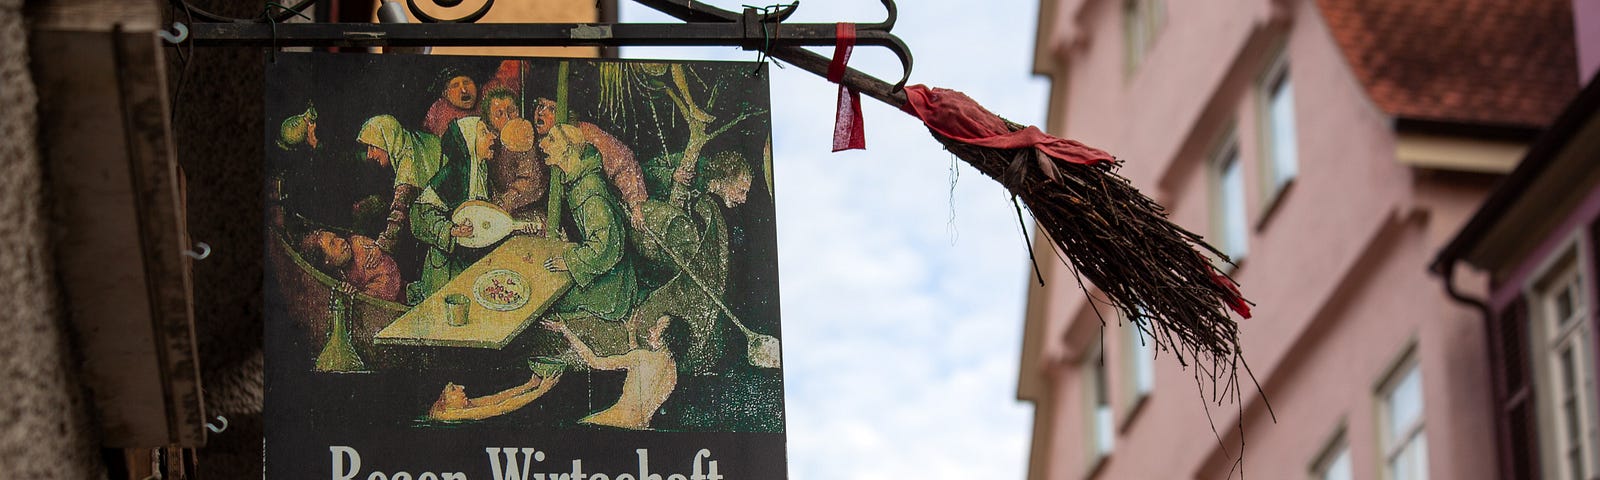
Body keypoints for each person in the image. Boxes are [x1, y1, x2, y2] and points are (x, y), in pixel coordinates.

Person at [627, 151, 753, 373]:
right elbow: (641, 172)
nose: (743, 199)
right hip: (651, 241)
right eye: (741, 190)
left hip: (677, 261)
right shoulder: (693, 164)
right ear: (725, 178)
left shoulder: (716, 204)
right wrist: (671, 175)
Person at [539, 123, 637, 323]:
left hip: (612, 284)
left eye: (551, 140)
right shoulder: (576, 178)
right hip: (596, 265)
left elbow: (606, 246)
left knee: (552, 302)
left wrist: (569, 261)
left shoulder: (591, 192)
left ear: (567, 150)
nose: (542, 145)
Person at [410, 116, 500, 299]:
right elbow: (418, 216)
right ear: (468, 141)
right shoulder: (450, 175)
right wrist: (451, 231)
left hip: (474, 259)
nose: (493, 137)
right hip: (446, 268)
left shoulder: (482, 173)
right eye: (484, 133)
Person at [531, 98, 648, 229]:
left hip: (599, 212)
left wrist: (635, 205)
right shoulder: (535, 141)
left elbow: (623, 160)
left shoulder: (584, 134)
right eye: (540, 106)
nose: (541, 113)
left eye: (552, 109)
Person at [543, 316, 677, 430]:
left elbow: (594, 362)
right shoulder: (672, 373)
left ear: (669, 335)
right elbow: (642, 374)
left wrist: (565, 330)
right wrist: (631, 333)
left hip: (614, 424)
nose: (651, 329)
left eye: (658, 326)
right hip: (640, 428)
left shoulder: (641, 357)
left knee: (576, 425)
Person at [356, 115, 446, 252]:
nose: (370, 155)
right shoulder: (410, 139)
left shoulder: (407, 165)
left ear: (387, 140)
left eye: (372, 147)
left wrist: (382, 244)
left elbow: (399, 213)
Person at [481, 87, 548, 218]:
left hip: (527, 209)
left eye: (511, 111)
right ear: (489, 120)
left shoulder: (525, 140)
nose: (507, 118)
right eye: (499, 114)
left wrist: (508, 201)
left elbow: (530, 180)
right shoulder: (487, 141)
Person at [298, 230, 403, 302]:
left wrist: (360, 295)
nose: (341, 241)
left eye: (337, 237)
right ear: (327, 262)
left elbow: (389, 278)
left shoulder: (360, 246)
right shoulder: (333, 274)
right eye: (333, 244)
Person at [426, 371, 562, 422]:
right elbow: (500, 408)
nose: (462, 387)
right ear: (443, 400)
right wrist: (540, 391)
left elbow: (494, 399)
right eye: (453, 389)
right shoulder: (448, 415)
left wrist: (529, 386)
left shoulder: (456, 406)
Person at [423, 67, 479, 137]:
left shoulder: (485, 103)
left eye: (466, 83)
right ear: (445, 93)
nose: (464, 90)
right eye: (455, 85)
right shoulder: (438, 113)